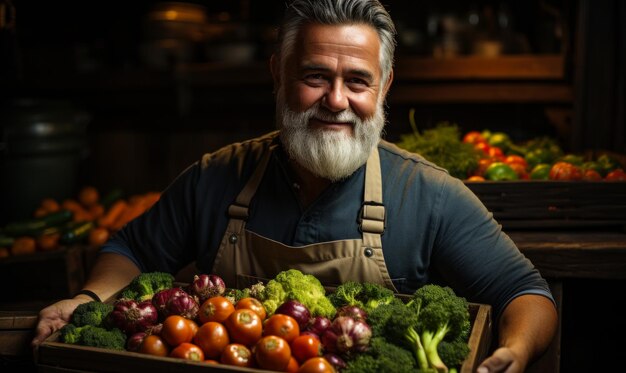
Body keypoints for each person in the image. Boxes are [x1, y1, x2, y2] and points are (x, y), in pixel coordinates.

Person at [33, 0, 557, 371]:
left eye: (357, 80)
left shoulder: (429, 195)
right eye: (314, 76)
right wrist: (87, 297)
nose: (335, 100)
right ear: (278, 74)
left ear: (385, 86)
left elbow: (526, 294)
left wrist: (514, 350)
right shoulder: (217, 178)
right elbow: (130, 249)